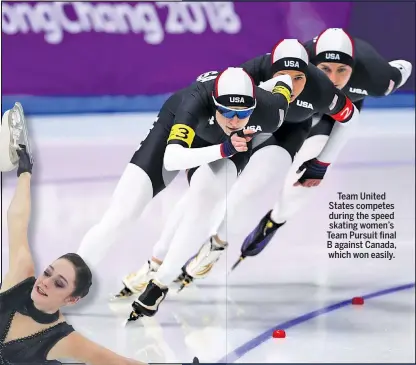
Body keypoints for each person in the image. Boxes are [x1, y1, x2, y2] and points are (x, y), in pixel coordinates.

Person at [125, 38, 361, 319]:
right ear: (269, 73)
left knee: (250, 187)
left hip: (288, 131)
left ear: (308, 73)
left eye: (300, 77)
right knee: (203, 193)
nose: (292, 85)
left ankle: (216, 245)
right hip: (247, 128)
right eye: (283, 77)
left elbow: (350, 117)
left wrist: (322, 162)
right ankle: (157, 260)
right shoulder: (247, 76)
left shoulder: (320, 87)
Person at [159, 29, 412, 280]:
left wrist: (322, 163)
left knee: (301, 185)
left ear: (354, 68)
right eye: (325, 69)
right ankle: (187, 248)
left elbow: (403, 67)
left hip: (328, 112)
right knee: (230, 182)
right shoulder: (284, 66)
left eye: (342, 70)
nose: (334, 78)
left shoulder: (377, 78)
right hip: (291, 110)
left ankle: (272, 222)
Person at [75, 68, 292, 296]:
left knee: (203, 203)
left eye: (243, 113)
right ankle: (70, 278)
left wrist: (273, 87)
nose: (235, 121)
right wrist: (223, 149)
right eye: (227, 112)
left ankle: (159, 276)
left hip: (229, 144)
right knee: (121, 215)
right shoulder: (194, 102)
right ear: (215, 104)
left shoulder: (270, 112)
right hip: (182, 132)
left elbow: (286, 80)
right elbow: (172, 159)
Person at [0, 105, 146, 364]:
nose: (45, 281)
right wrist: (25, 171)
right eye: (48, 273)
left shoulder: (65, 339)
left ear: (71, 299)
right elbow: (17, 221)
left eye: (59, 283)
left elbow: (121, 363)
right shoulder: (21, 280)